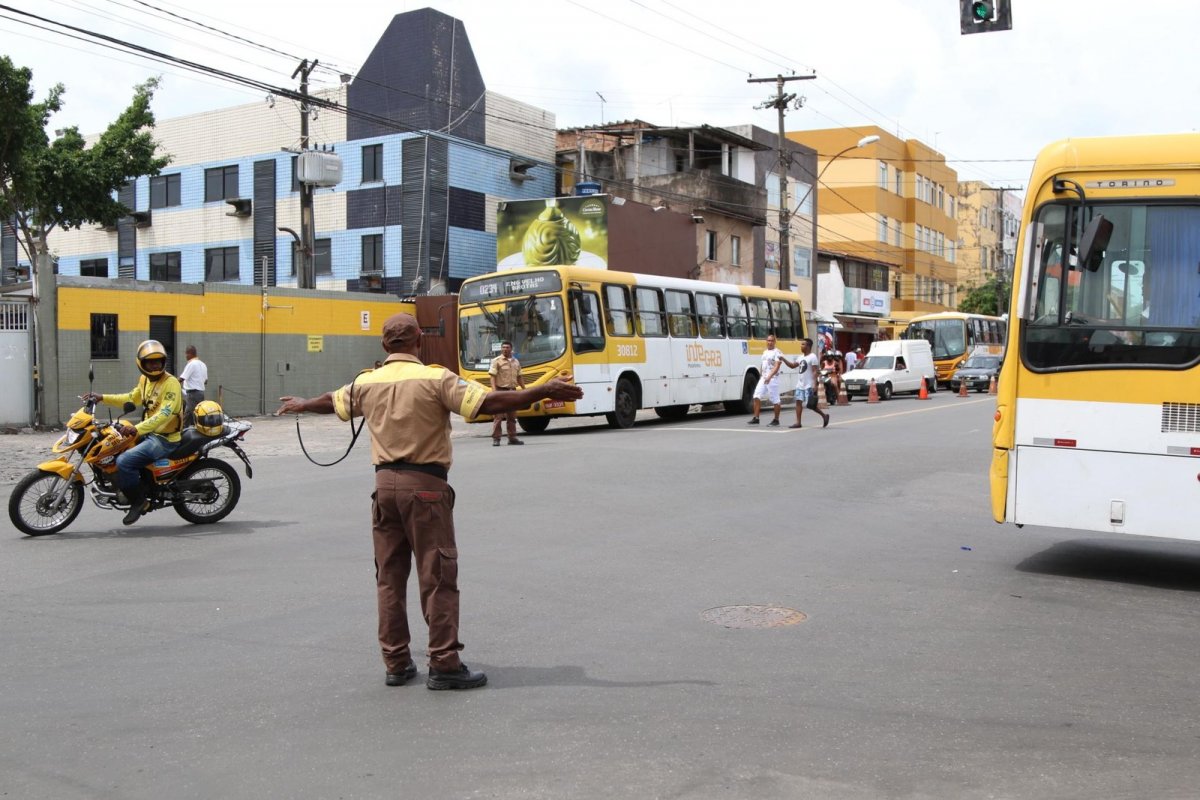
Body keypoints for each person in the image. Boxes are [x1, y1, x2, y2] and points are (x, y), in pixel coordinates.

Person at [275, 313, 583, 691]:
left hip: (383, 488)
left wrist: (303, 404)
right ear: (419, 341)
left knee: (389, 579)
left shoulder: (367, 382)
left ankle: (397, 663)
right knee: (437, 577)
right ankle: (444, 663)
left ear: (384, 345)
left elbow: (333, 401)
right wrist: (542, 390)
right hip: (426, 488)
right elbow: (488, 402)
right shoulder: (436, 378)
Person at [83, 339, 185, 525]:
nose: (154, 365)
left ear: (164, 361)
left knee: (124, 461)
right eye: (150, 362)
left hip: (165, 438)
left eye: (158, 361)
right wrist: (102, 397)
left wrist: (136, 429)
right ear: (141, 364)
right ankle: (137, 485)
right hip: (150, 432)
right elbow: (131, 398)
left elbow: (164, 414)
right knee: (115, 445)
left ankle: (139, 502)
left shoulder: (171, 384)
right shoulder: (145, 380)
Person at [781, 338, 829, 429]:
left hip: (808, 384)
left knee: (810, 405)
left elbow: (815, 371)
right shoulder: (800, 357)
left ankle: (824, 416)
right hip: (800, 384)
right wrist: (783, 359)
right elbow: (792, 366)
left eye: (803, 344)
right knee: (798, 402)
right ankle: (798, 422)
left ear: (808, 346)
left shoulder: (812, 357)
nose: (801, 346)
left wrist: (815, 384)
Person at [488, 340, 526, 446]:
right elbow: (492, 377)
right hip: (500, 392)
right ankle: (496, 439)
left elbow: (519, 377)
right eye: (503, 347)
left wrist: (524, 388)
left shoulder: (516, 362)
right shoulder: (496, 361)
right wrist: (494, 391)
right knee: (498, 417)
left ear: (511, 349)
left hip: (512, 392)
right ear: (501, 349)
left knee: (512, 417)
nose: (505, 349)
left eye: (507, 347)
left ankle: (512, 438)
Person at [747, 333, 785, 426]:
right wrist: (761, 376)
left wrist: (769, 376)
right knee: (756, 396)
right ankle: (756, 418)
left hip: (773, 379)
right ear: (766, 342)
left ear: (775, 342)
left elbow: (776, 366)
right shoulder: (765, 352)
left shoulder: (778, 352)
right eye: (768, 340)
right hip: (763, 378)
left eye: (772, 341)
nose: (770, 342)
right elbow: (763, 365)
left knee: (775, 400)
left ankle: (776, 420)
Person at [179, 345, 208, 427]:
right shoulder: (203, 364)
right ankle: (197, 430)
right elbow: (206, 381)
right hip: (201, 393)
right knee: (197, 414)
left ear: (190, 353)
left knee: (188, 414)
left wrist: (171, 383)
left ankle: (182, 433)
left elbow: (182, 378)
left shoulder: (191, 364)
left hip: (192, 394)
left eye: (186, 354)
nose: (186, 356)